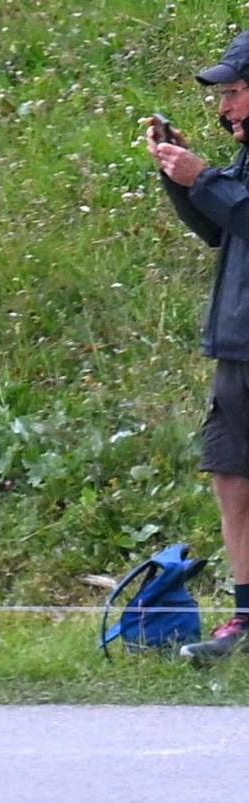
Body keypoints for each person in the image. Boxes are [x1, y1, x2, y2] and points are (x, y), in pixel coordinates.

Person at [151, 29, 249, 661]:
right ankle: (246, 621)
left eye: (237, 91)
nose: (225, 107)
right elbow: (223, 230)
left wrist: (206, 178)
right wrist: (180, 177)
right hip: (238, 351)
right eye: (226, 95)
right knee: (232, 479)